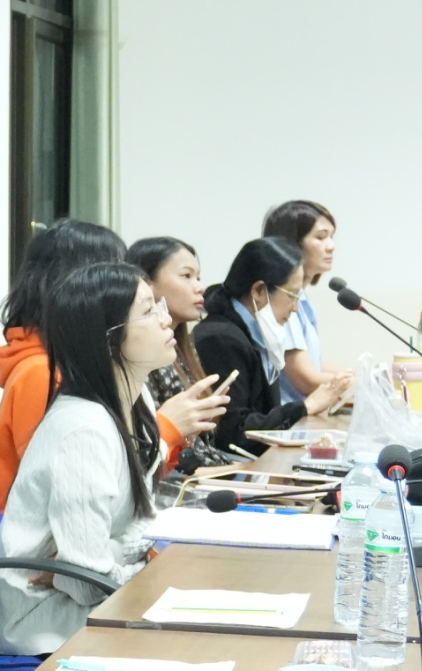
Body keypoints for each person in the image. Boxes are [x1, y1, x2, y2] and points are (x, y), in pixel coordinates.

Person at [0, 262, 177, 655]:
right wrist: (142, 568)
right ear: (108, 340)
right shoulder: (83, 431)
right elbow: (86, 584)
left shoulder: (137, 399)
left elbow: (138, 528)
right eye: (148, 311)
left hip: (90, 593)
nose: (166, 319)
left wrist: (123, 559)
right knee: (193, 629)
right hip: (41, 616)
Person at [0, 219, 227, 506]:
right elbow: (75, 487)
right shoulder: (43, 373)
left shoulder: (81, 363)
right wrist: (166, 428)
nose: (126, 283)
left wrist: (172, 436)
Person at [194, 238, 353, 453]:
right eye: (292, 295)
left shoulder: (257, 330)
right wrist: (305, 407)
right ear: (259, 290)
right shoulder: (220, 339)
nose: (296, 308)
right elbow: (233, 430)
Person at [129, 236, 241, 475]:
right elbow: (161, 460)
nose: (199, 287)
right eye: (186, 276)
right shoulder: (140, 357)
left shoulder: (183, 348)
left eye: (198, 277)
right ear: (146, 284)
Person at [261, 199, 349, 401]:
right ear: (292, 245)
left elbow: (314, 365)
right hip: (287, 415)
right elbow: (305, 379)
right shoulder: (283, 302)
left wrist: (360, 375)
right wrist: (361, 384)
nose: (331, 246)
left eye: (332, 237)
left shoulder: (302, 299)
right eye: (321, 237)